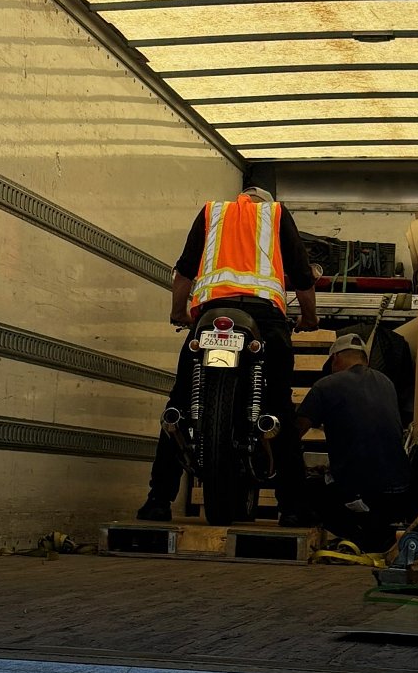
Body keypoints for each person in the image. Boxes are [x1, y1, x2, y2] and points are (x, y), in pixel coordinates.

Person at [137, 186, 319, 526]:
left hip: (210, 315)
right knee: (279, 406)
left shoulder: (212, 213)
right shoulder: (275, 215)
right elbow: (303, 276)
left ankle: (158, 501)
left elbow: (184, 273)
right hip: (264, 319)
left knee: (178, 404)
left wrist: (179, 313)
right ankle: (292, 507)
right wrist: (309, 318)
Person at [296, 332, 411, 550]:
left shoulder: (326, 385)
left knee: (306, 490)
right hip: (399, 492)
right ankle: (374, 534)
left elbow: (295, 433)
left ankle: (358, 538)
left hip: (359, 491)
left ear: (335, 358)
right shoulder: (386, 383)